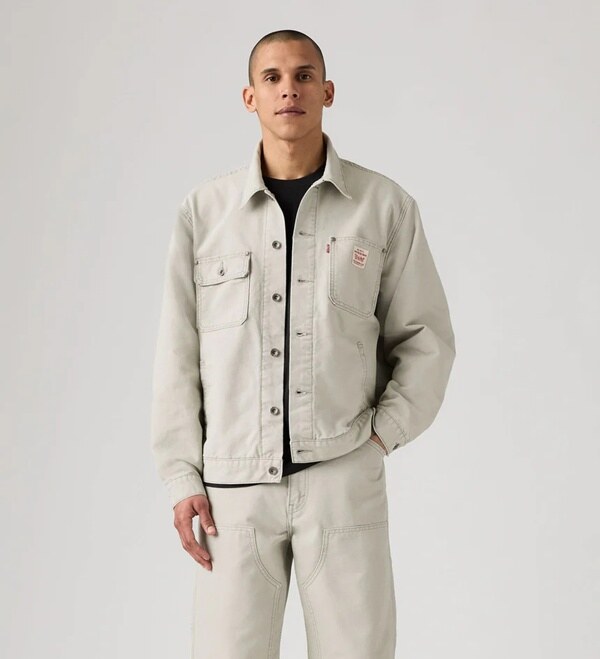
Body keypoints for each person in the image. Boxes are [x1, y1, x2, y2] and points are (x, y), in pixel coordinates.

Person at [151, 28, 456, 659]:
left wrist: (379, 438)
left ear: (327, 91)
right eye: (272, 78)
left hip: (343, 480)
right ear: (250, 97)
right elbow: (177, 356)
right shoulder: (203, 214)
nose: (288, 89)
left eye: (303, 75)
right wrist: (182, 476)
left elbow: (426, 339)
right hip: (232, 494)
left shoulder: (384, 207)